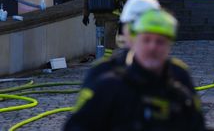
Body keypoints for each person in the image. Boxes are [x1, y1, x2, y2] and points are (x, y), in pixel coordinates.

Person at [65, 10, 205, 131]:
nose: (152, 47)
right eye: (146, 40)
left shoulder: (181, 96)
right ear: (134, 42)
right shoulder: (108, 88)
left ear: (170, 46)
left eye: (160, 41)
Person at [81, 0, 161, 88]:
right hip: (112, 17)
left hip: (98, 16)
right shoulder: (176, 73)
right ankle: (105, 59)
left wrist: (85, 15)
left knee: (102, 39)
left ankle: (103, 59)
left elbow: (87, 0)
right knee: (108, 39)